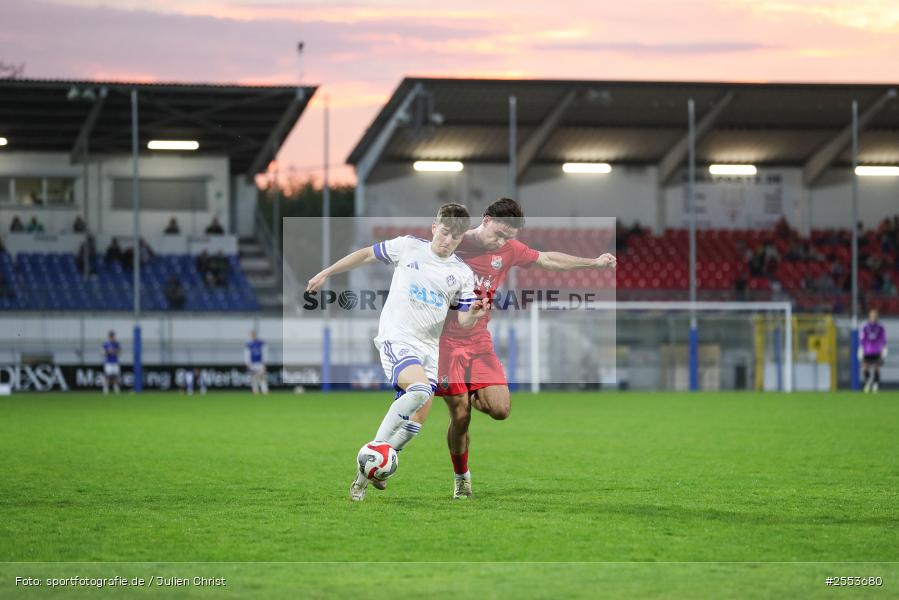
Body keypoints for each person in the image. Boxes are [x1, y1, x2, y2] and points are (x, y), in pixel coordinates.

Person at [433, 198, 616, 499]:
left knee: (501, 410)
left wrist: (593, 262)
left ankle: (469, 390)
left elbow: (548, 260)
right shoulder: (455, 241)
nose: (502, 241)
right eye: (500, 233)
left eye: (509, 237)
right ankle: (461, 479)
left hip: (478, 340)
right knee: (461, 416)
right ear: (487, 219)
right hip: (444, 342)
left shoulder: (509, 250)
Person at [306, 203, 487, 502]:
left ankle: (374, 469)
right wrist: (328, 271)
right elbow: (365, 254)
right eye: (444, 233)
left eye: (455, 237)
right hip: (398, 339)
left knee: (415, 422)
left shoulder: (462, 273)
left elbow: (465, 320)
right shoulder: (408, 247)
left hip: (430, 349)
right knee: (417, 390)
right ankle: (370, 461)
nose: (448, 241)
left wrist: (476, 313)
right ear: (434, 227)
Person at [860, 309, 888, 393]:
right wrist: (861, 348)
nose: (873, 317)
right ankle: (868, 382)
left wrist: (884, 348)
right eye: (872, 316)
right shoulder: (865, 326)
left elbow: (883, 338)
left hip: (877, 349)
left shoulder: (880, 327)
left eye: (875, 316)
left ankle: (875, 384)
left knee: (877, 367)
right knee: (865, 367)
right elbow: (862, 338)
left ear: (877, 317)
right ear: (869, 316)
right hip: (867, 350)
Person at [245, 331, 269, 395]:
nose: (253, 336)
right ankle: (255, 391)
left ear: (256, 335)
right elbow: (247, 354)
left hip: (260, 363)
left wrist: (264, 363)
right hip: (252, 363)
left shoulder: (261, 343)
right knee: (253, 378)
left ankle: (265, 391)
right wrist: (247, 363)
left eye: (254, 334)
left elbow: (264, 353)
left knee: (262, 377)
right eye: (252, 335)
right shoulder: (249, 344)